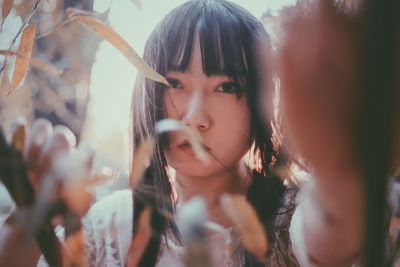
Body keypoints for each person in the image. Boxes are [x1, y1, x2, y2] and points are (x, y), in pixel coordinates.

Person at [0, 0, 368, 266]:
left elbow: (334, 233)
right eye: (173, 82)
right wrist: (27, 220)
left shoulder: (293, 219)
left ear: (261, 98)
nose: (193, 118)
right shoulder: (109, 228)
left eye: (226, 87)